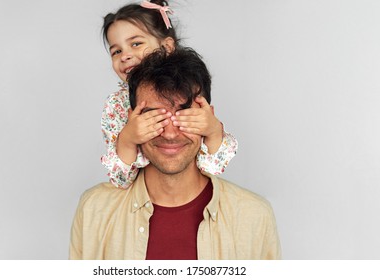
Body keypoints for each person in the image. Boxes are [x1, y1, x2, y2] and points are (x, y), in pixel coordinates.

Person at [70, 47, 281, 260]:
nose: (170, 134)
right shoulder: (93, 211)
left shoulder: (255, 216)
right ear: (130, 119)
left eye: (185, 117)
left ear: (209, 118)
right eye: (155, 119)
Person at [100, 0, 238, 188]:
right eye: (116, 51)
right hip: (142, 196)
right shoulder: (116, 105)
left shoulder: (189, 87)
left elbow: (212, 168)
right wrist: (127, 139)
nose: (125, 56)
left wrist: (213, 131)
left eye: (136, 43)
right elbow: (121, 180)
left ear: (167, 46)